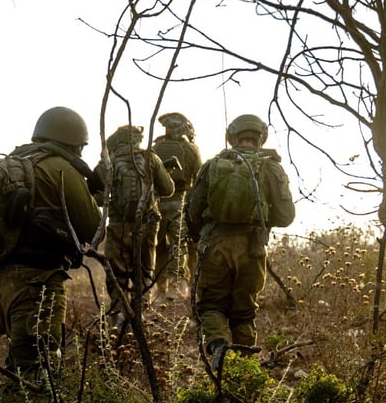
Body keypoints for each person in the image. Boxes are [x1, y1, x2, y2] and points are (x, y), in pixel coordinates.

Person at [0, 105, 102, 403]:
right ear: (73, 141)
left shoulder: (11, 164)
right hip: (35, 282)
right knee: (33, 377)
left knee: (22, 371)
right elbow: (90, 230)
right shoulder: (60, 169)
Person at [185, 114, 295, 371]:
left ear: (232, 137)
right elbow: (286, 216)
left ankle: (219, 347)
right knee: (244, 312)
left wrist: (201, 236)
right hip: (252, 248)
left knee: (211, 306)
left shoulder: (213, 165)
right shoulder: (272, 167)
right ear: (261, 137)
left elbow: (192, 210)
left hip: (215, 246)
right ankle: (244, 370)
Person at [93, 124, 174, 338]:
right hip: (147, 224)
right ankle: (140, 315)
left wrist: (107, 199)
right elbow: (168, 189)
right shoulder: (151, 158)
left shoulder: (107, 163)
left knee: (117, 273)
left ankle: (117, 314)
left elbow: (91, 191)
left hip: (119, 224)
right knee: (144, 271)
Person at [151, 112, 203, 298]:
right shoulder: (191, 149)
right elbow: (199, 178)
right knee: (181, 243)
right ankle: (179, 285)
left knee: (159, 246)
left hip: (157, 203)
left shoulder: (155, 147)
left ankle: (160, 286)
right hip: (181, 202)